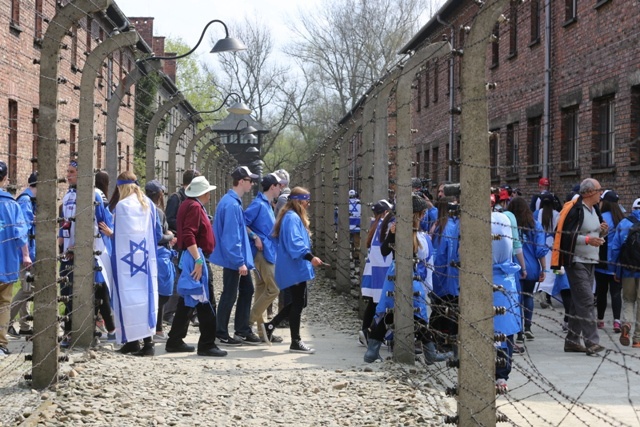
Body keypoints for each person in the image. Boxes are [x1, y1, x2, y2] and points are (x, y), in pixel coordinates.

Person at [364, 195, 452, 364]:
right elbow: (387, 252)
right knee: (417, 313)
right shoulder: (407, 232)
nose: (425, 215)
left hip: (397, 273)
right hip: (407, 275)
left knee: (390, 313)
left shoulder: (409, 231)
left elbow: (385, 252)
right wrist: (391, 234)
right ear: (417, 214)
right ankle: (430, 353)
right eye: (423, 212)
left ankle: (372, 351)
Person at [165, 176, 227, 357]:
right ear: (204, 193)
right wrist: (198, 259)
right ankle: (207, 344)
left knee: (188, 301)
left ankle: (175, 340)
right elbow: (189, 234)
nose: (209, 195)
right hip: (196, 256)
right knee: (204, 301)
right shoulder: (194, 207)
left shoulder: (188, 204)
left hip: (192, 255)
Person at [261, 187, 325, 354]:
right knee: (298, 303)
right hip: (294, 266)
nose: (308, 204)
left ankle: (271, 325)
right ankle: (295, 341)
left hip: (295, 265)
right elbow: (295, 243)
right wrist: (310, 257)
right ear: (298, 201)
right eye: (306, 200)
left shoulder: (291, 217)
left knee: (300, 301)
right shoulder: (291, 218)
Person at [551, 178, 607, 355]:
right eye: (599, 190)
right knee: (586, 300)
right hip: (575, 261)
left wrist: (602, 230)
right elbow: (567, 236)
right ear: (590, 192)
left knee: (578, 301)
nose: (601, 193)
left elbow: (591, 231)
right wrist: (589, 240)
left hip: (591, 260)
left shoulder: (594, 209)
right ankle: (592, 342)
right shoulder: (575, 209)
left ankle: (572, 341)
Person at [110, 172, 161, 356]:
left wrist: (110, 233)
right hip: (145, 260)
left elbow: (119, 234)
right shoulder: (148, 204)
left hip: (126, 261)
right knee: (145, 299)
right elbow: (155, 232)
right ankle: (146, 342)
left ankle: (134, 342)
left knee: (127, 298)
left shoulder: (122, 206)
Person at [211, 166, 261, 346]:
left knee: (246, 290)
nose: (252, 184)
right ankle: (222, 332)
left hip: (236, 258)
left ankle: (241, 330)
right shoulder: (232, 204)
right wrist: (239, 261)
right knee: (229, 294)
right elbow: (231, 236)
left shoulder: (231, 201)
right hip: (235, 259)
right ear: (241, 181)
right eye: (250, 180)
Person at [246, 173, 284, 343]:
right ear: (272, 187)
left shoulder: (266, 204)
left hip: (267, 252)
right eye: (279, 186)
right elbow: (242, 222)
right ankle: (247, 322)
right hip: (262, 253)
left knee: (261, 289)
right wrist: (255, 236)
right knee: (274, 288)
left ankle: (262, 333)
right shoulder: (258, 204)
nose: (281, 188)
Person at [0, 161, 31, 356]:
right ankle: (1, 343)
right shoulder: (11, 204)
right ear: (4, 179)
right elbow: (20, 232)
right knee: (4, 302)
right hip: (6, 263)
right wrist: (26, 255)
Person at [491, 205, 522, 394]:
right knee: (506, 332)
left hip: (485, 281)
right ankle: (502, 374)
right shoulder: (506, 220)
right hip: (506, 283)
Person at [507, 197, 548, 341]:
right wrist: (544, 268)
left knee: (515, 298)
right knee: (528, 296)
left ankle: (518, 330)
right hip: (531, 266)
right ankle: (528, 327)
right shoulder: (534, 225)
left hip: (513, 265)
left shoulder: (509, 225)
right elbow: (540, 249)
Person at [163, 169, 200, 326]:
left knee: (193, 276)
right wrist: (180, 231)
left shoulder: (194, 199)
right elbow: (169, 219)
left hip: (191, 245)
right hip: (179, 244)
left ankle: (192, 312)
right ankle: (170, 312)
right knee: (178, 278)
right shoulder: (176, 199)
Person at [144, 180, 177, 342]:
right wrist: (171, 236)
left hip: (143, 255)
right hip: (160, 256)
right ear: (159, 194)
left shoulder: (142, 207)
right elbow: (159, 237)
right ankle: (157, 329)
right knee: (162, 294)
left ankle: (153, 328)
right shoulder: (156, 211)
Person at [359, 199, 393, 346]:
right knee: (381, 304)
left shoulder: (376, 225)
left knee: (374, 303)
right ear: (386, 212)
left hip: (374, 270)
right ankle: (372, 332)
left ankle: (366, 330)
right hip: (383, 270)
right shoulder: (384, 226)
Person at [8, 172, 37, 338]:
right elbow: (24, 228)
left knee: (27, 288)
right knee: (28, 288)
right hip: (27, 253)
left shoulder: (26, 199)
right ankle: (6, 322)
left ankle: (25, 325)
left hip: (27, 252)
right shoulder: (26, 200)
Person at [609, 198, 640, 348]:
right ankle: (637, 339)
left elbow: (615, 249)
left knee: (628, 300)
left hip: (628, 269)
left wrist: (615, 269)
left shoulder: (624, 223)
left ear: (633, 208)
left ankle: (626, 324)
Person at [595, 190, 624, 333]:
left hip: (602, 262)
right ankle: (617, 321)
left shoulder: (601, 218)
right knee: (616, 293)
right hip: (617, 264)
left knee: (601, 292)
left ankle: (600, 320)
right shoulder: (622, 219)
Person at [348, 189, 362, 263]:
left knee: (348, 242)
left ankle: (348, 256)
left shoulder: (345, 203)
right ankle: (356, 257)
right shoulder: (359, 203)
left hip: (348, 226)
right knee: (357, 242)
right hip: (357, 226)